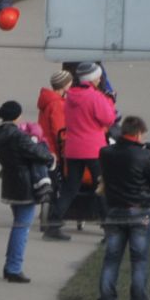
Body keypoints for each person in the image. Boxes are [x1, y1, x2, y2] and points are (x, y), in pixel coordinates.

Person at [96, 116, 150, 300]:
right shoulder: (144, 157)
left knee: (111, 260)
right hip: (140, 212)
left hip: (114, 210)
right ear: (138, 134)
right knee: (139, 261)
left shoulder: (106, 153)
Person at [0, 100, 58, 285]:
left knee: (18, 224)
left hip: (10, 181)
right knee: (22, 228)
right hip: (25, 184)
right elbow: (37, 153)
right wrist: (50, 156)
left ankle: (10, 264)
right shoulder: (17, 135)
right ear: (16, 116)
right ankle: (14, 267)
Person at [59, 64, 117, 234]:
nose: (100, 80)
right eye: (98, 77)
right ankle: (108, 228)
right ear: (92, 79)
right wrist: (110, 101)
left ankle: (53, 223)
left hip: (73, 148)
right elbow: (109, 119)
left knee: (71, 188)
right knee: (101, 187)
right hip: (93, 149)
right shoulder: (96, 97)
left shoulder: (70, 96)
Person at [36, 70, 74, 239]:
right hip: (53, 151)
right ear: (65, 85)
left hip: (44, 147)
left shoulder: (48, 100)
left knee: (48, 181)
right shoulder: (57, 103)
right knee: (55, 185)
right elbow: (59, 130)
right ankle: (51, 220)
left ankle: (45, 214)